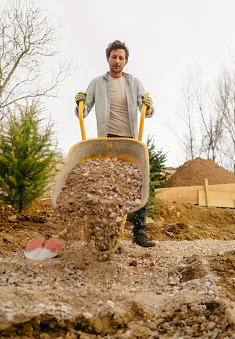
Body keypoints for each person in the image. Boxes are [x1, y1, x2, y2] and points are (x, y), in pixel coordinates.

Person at [74, 40, 155, 248]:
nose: (116, 61)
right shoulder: (97, 83)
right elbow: (83, 112)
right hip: (107, 142)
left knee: (139, 183)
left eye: (120, 58)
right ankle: (110, 236)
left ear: (126, 61)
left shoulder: (134, 83)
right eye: (113, 57)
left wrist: (149, 107)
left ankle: (139, 232)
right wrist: (79, 104)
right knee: (109, 188)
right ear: (108, 59)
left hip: (130, 142)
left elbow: (146, 110)